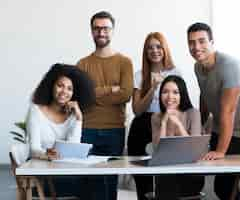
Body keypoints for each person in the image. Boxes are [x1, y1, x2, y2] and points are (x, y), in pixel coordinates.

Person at [187, 22, 240, 200]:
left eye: (202, 41)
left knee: (225, 187)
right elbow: (204, 94)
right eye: (192, 42)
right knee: (223, 189)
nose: (196, 47)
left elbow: (229, 111)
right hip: (219, 129)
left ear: (212, 42)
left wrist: (221, 152)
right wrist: (201, 125)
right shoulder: (197, 67)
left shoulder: (229, 66)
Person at [77, 11, 133, 200]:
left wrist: (94, 94)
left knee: (110, 181)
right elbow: (82, 97)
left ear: (112, 31)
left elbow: (125, 95)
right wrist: (110, 89)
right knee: (89, 181)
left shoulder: (124, 62)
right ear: (91, 31)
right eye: (97, 28)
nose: (101, 32)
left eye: (105, 28)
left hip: (114, 130)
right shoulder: (82, 64)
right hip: (87, 129)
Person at [26, 63, 96, 197]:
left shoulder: (72, 115)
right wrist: (47, 154)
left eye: (69, 88)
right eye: (60, 86)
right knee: (85, 186)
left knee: (93, 183)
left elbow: (74, 146)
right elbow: (33, 149)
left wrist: (79, 118)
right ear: (51, 86)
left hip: (63, 171)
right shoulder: (36, 110)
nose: (64, 91)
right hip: (42, 173)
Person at [127, 32, 180, 200]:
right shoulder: (139, 75)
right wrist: (153, 87)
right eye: (150, 47)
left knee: (166, 178)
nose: (154, 50)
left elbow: (180, 105)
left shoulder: (175, 73)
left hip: (166, 124)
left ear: (164, 49)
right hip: (141, 127)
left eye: (158, 46)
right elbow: (137, 110)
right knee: (143, 180)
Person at [151, 75, 205, 200]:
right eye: (165, 92)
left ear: (182, 95)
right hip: (166, 173)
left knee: (170, 182)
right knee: (165, 178)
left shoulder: (193, 113)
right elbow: (157, 150)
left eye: (175, 92)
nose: (170, 97)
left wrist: (178, 124)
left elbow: (193, 149)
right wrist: (164, 123)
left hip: (190, 171)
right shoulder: (156, 117)